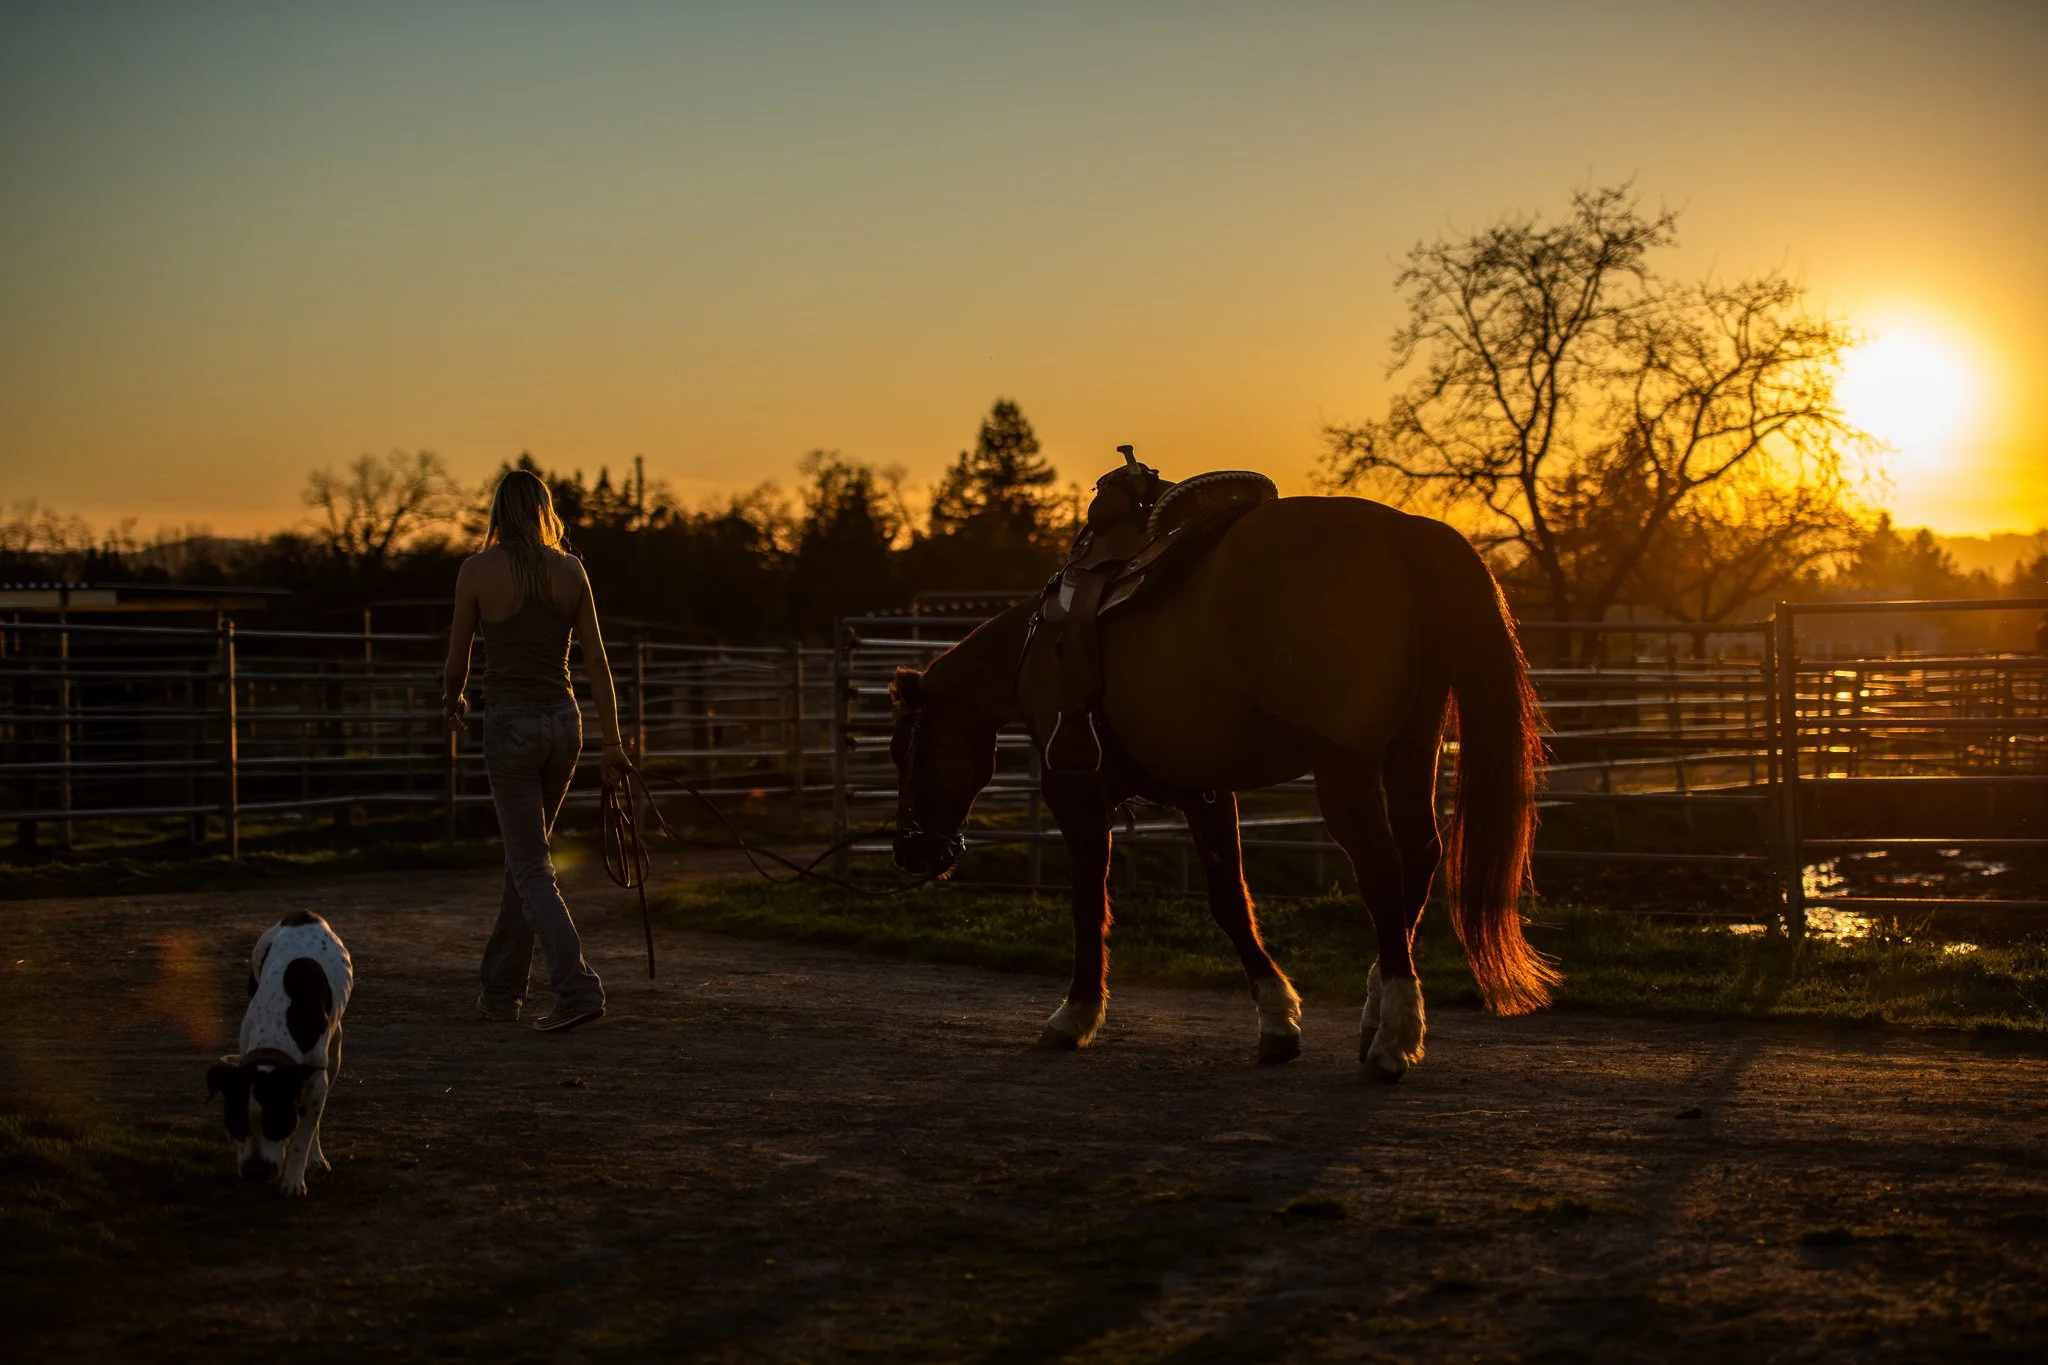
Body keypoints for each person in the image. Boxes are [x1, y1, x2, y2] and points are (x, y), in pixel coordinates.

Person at [442, 470, 629, 1032]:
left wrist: (450, 701)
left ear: (498, 511)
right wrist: (613, 741)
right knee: (526, 863)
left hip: (511, 727)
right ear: (544, 508)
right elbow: (596, 662)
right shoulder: (570, 571)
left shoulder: (477, 571)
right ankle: (500, 993)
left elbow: (458, 658)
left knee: (530, 868)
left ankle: (577, 988)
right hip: (563, 726)